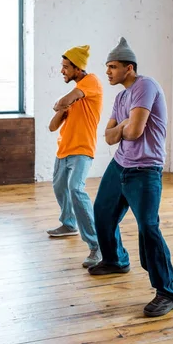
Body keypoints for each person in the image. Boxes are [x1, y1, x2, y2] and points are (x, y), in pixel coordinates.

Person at [88, 37, 173, 317]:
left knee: (148, 229)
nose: (108, 72)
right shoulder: (120, 97)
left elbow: (135, 132)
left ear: (129, 68)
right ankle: (116, 260)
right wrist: (123, 126)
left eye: (113, 67)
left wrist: (124, 126)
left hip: (145, 170)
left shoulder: (145, 86)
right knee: (102, 213)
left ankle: (168, 291)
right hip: (120, 165)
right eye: (107, 67)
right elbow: (108, 137)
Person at [47, 45, 103, 268]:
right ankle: (69, 224)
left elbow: (60, 103)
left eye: (65, 67)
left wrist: (61, 103)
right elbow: (53, 126)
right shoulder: (74, 97)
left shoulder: (91, 82)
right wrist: (62, 106)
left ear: (78, 68)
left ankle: (96, 245)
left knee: (76, 189)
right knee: (59, 187)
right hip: (63, 150)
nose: (62, 71)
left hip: (82, 149)